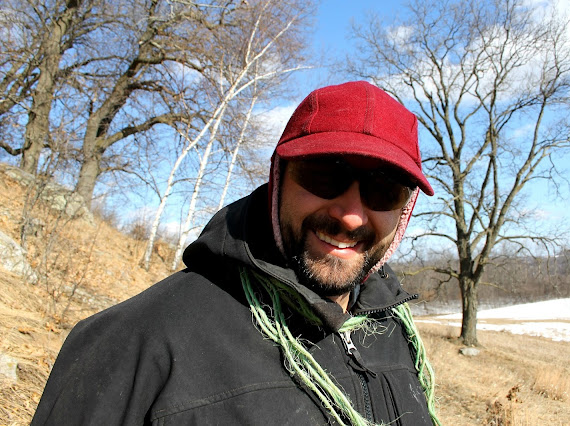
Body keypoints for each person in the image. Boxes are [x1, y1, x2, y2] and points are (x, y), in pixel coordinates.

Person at [32, 81, 440, 426]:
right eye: (325, 174)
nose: (350, 216)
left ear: (403, 211)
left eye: (384, 189)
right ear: (279, 179)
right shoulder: (137, 340)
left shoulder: (395, 332)